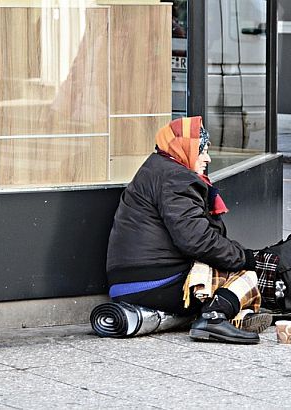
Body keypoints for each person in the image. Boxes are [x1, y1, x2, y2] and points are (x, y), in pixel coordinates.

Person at [106, 116, 271, 344]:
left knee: (224, 275)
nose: (207, 158)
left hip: (131, 280)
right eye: (201, 150)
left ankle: (236, 316)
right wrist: (244, 257)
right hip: (153, 282)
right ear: (185, 148)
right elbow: (197, 240)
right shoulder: (176, 177)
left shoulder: (158, 168)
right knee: (245, 276)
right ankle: (213, 319)